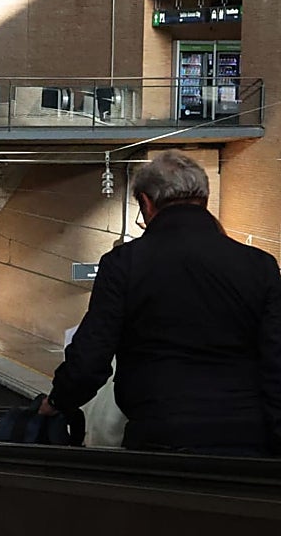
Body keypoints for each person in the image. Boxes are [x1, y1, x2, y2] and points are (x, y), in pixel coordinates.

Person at [41, 150, 281, 456]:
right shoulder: (259, 265)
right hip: (247, 438)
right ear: (204, 200)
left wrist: (58, 401)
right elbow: (276, 360)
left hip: (160, 435)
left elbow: (91, 358)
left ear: (146, 202)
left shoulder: (123, 264)